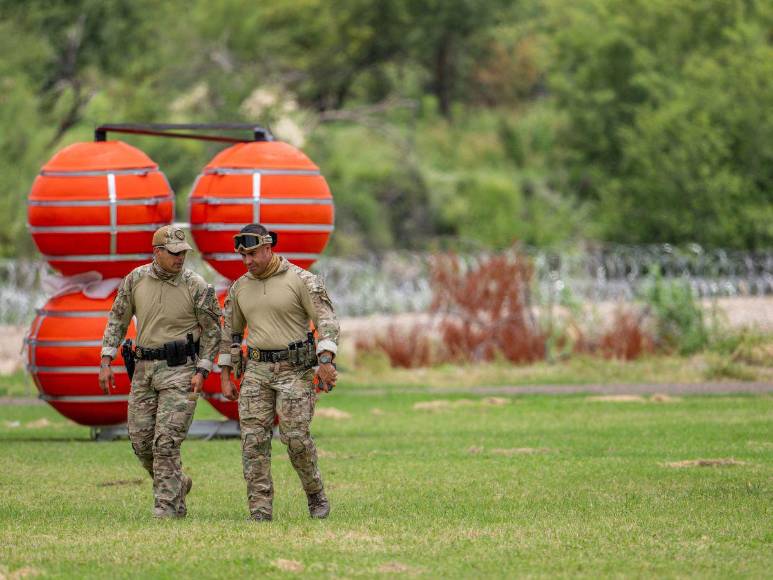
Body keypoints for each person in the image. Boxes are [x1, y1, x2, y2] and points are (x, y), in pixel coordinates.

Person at [98, 225, 222, 519]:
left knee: (166, 442)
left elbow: (214, 331)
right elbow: (117, 319)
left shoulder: (196, 286)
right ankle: (178, 484)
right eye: (174, 253)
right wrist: (106, 359)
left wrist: (203, 370)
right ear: (157, 253)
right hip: (143, 371)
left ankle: (165, 508)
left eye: (184, 253)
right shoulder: (136, 280)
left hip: (181, 370)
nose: (180, 259)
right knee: (141, 442)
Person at [219, 223, 340, 521]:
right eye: (243, 256)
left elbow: (326, 322)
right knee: (253, 442)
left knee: (296, 437)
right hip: (256, 371)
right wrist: (225, 372)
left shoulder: (302, 281)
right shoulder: (240, 287)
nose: (248, 261)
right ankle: (260, 510)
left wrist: (326, 360)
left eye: (253, 254)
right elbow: (230, 332)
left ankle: (315, 495)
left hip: (294, 370)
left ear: (268, 247)